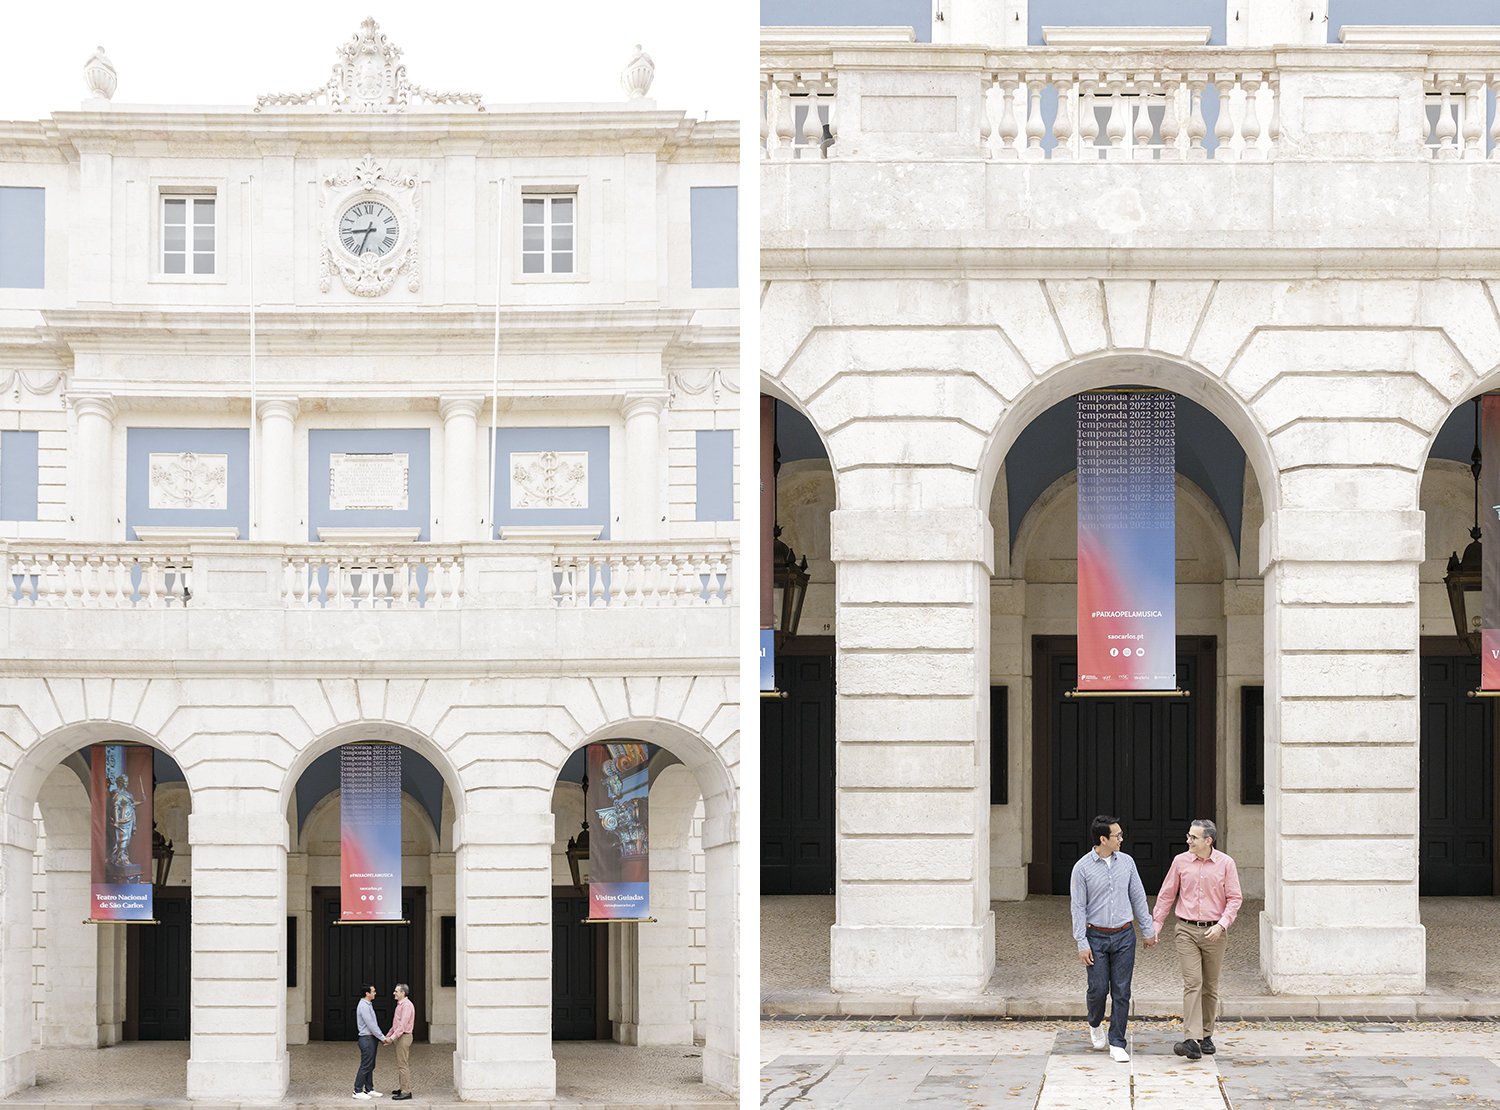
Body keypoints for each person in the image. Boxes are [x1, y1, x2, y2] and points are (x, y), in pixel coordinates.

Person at [1152, 818, 1243, 1062]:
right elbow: (1166, 894)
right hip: (1186, 929)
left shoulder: (1226, 863)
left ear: (1208, 840)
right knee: (1193, 982)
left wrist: (1222, 924)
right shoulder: (1180, 862)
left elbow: (1235, 898)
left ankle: (1206, 1034)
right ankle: (1191, 1040)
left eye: (1193, 837)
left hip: (1215, 931)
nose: (1188, 840)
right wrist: (1156, 925)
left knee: (1210, 985)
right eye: (1189, 836)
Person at [1069, 814, 1157, 1062]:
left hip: (1124, 935)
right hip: (1095, 936)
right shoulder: (1082, 868)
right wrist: (1081, 942)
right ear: (1103, 839)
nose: (1121, 838)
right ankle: (1094, 1023)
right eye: (1117, 835)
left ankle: (1117, 1041)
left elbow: (1138, 897)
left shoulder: (1127, 863)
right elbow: (1078, 907)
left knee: (1121, 990)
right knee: (1098, 990)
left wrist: (1147, 930)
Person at [383, 983, 415, 1101]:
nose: (394, 993)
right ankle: (402, 1087)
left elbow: (402, 1026)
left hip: (404, 1037)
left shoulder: (407, 1005)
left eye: (396, 991)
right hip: (400, 1037)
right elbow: (395, 1025)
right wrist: (388, 1036)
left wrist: (391, 1038)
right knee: (401, 1064)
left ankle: (406, 1091)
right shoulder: (400, 1005)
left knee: (403, 1065)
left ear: (403, 993)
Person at [353, 984, 385, 1100]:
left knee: (370, 1065)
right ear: (367, 993)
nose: (375, 993)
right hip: (366, 1039)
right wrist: (383, 1038)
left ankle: (369, 1089)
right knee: (365, 1065)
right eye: (373, 991)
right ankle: (357, 1090)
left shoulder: (368, 1004)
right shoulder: (364, 1006)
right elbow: (371, 1025)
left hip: (371, 1038)